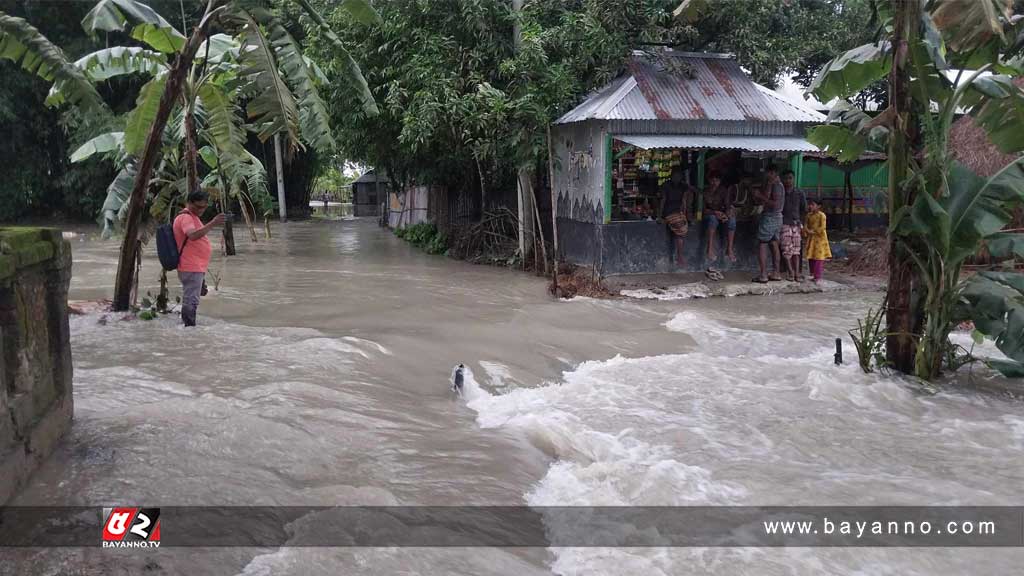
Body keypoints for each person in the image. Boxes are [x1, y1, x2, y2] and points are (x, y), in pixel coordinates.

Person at [173, 190, 225, 327]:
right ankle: (189, 330)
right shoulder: (186, 217)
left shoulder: (192, 216)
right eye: (198, 206)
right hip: (190, 266)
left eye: (204, 207)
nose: (201, 210)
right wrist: (213, 223)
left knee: (192, 298)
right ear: (189, 203)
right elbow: (193, 235)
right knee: (191, 300)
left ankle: (188, 327)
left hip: (194, 266)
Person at [752, 165, 785, 283]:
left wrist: (760, 196)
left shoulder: (776, 186)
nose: (766, 176)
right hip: (777, 218)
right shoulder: (776, 185)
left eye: (768, 173)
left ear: (772, 173)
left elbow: (774, 203)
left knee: (763, 243)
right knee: (774, 243)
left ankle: (763, 274)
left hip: (770, 217)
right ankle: (776, 273)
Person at [659, 166, 694, 268]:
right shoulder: (666, 186)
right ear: (671, 176)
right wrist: (660, 216)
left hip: (679, 212)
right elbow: (662, 201)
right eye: (675, 176)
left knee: (682, 228)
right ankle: (680, 257)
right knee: (680, 228)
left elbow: (694, 191)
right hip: (669, 213)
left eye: (679, 176)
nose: (676, 178)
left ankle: (680, 256)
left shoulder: (683, 186)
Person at [702, 171, 737, 263]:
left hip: (721, 214)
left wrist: (726, 214)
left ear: (720, 181)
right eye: (712, 180)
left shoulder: (723, 190)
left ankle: (729, 249)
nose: (714, 183)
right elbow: (702, 209)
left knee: (732, 221)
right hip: (710, 214)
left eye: (716, 181)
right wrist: (714, 212)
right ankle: (709, 250)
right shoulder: (704, 192)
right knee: (713, 220)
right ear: (709, 180)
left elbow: (727, 205)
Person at [779, 169, 807, 281]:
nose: (788, 181)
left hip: (796, 224)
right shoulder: (781, 193)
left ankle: (797, 273)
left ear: (794, 179)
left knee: (796, 250)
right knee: (786, 249)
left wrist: (802, 224)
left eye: (790, 178)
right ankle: (790, 272)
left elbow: (803, 209)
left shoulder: (799, 193)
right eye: (786, 178)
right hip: (784, 224)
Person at [804, 199, 832, 283]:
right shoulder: (808, 215)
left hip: (820, 239)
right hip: (811, 238)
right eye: (810, 205)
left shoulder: (822, 215)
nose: (810, 206)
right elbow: (805, 225)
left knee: (819, 257)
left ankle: (817, 276)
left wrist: (814, 231)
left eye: (813, 204)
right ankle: (812, 274)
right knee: (811, 256)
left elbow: (822, 227)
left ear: (819, 206)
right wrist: (807, 231)